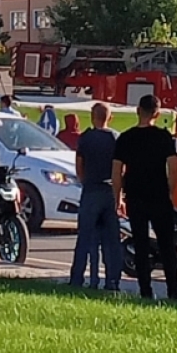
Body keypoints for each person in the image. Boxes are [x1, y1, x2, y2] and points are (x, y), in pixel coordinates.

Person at [112, 94, 177, 302]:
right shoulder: (163, 137)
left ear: (137, 111)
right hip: (159, 194)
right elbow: (174, 167)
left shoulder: (125, 137)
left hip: (135, 195)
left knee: (140, 244)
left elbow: (116, 172)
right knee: (167, 244)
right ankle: (173, 292)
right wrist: (171, 189)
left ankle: (145, 291)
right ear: (157, 114)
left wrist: (118, 198)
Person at [69, 102, 122, 292]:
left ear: (93, 116)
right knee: (111, 241)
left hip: (91, 189)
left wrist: (85, 181)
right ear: (110, 117)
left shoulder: (85, 138)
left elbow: (79, 165)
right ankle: (112, 281)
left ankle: (77, 278)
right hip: (109, 190)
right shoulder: (116, 138)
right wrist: (119, 196)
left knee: (85, 237)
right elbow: (119, 170)